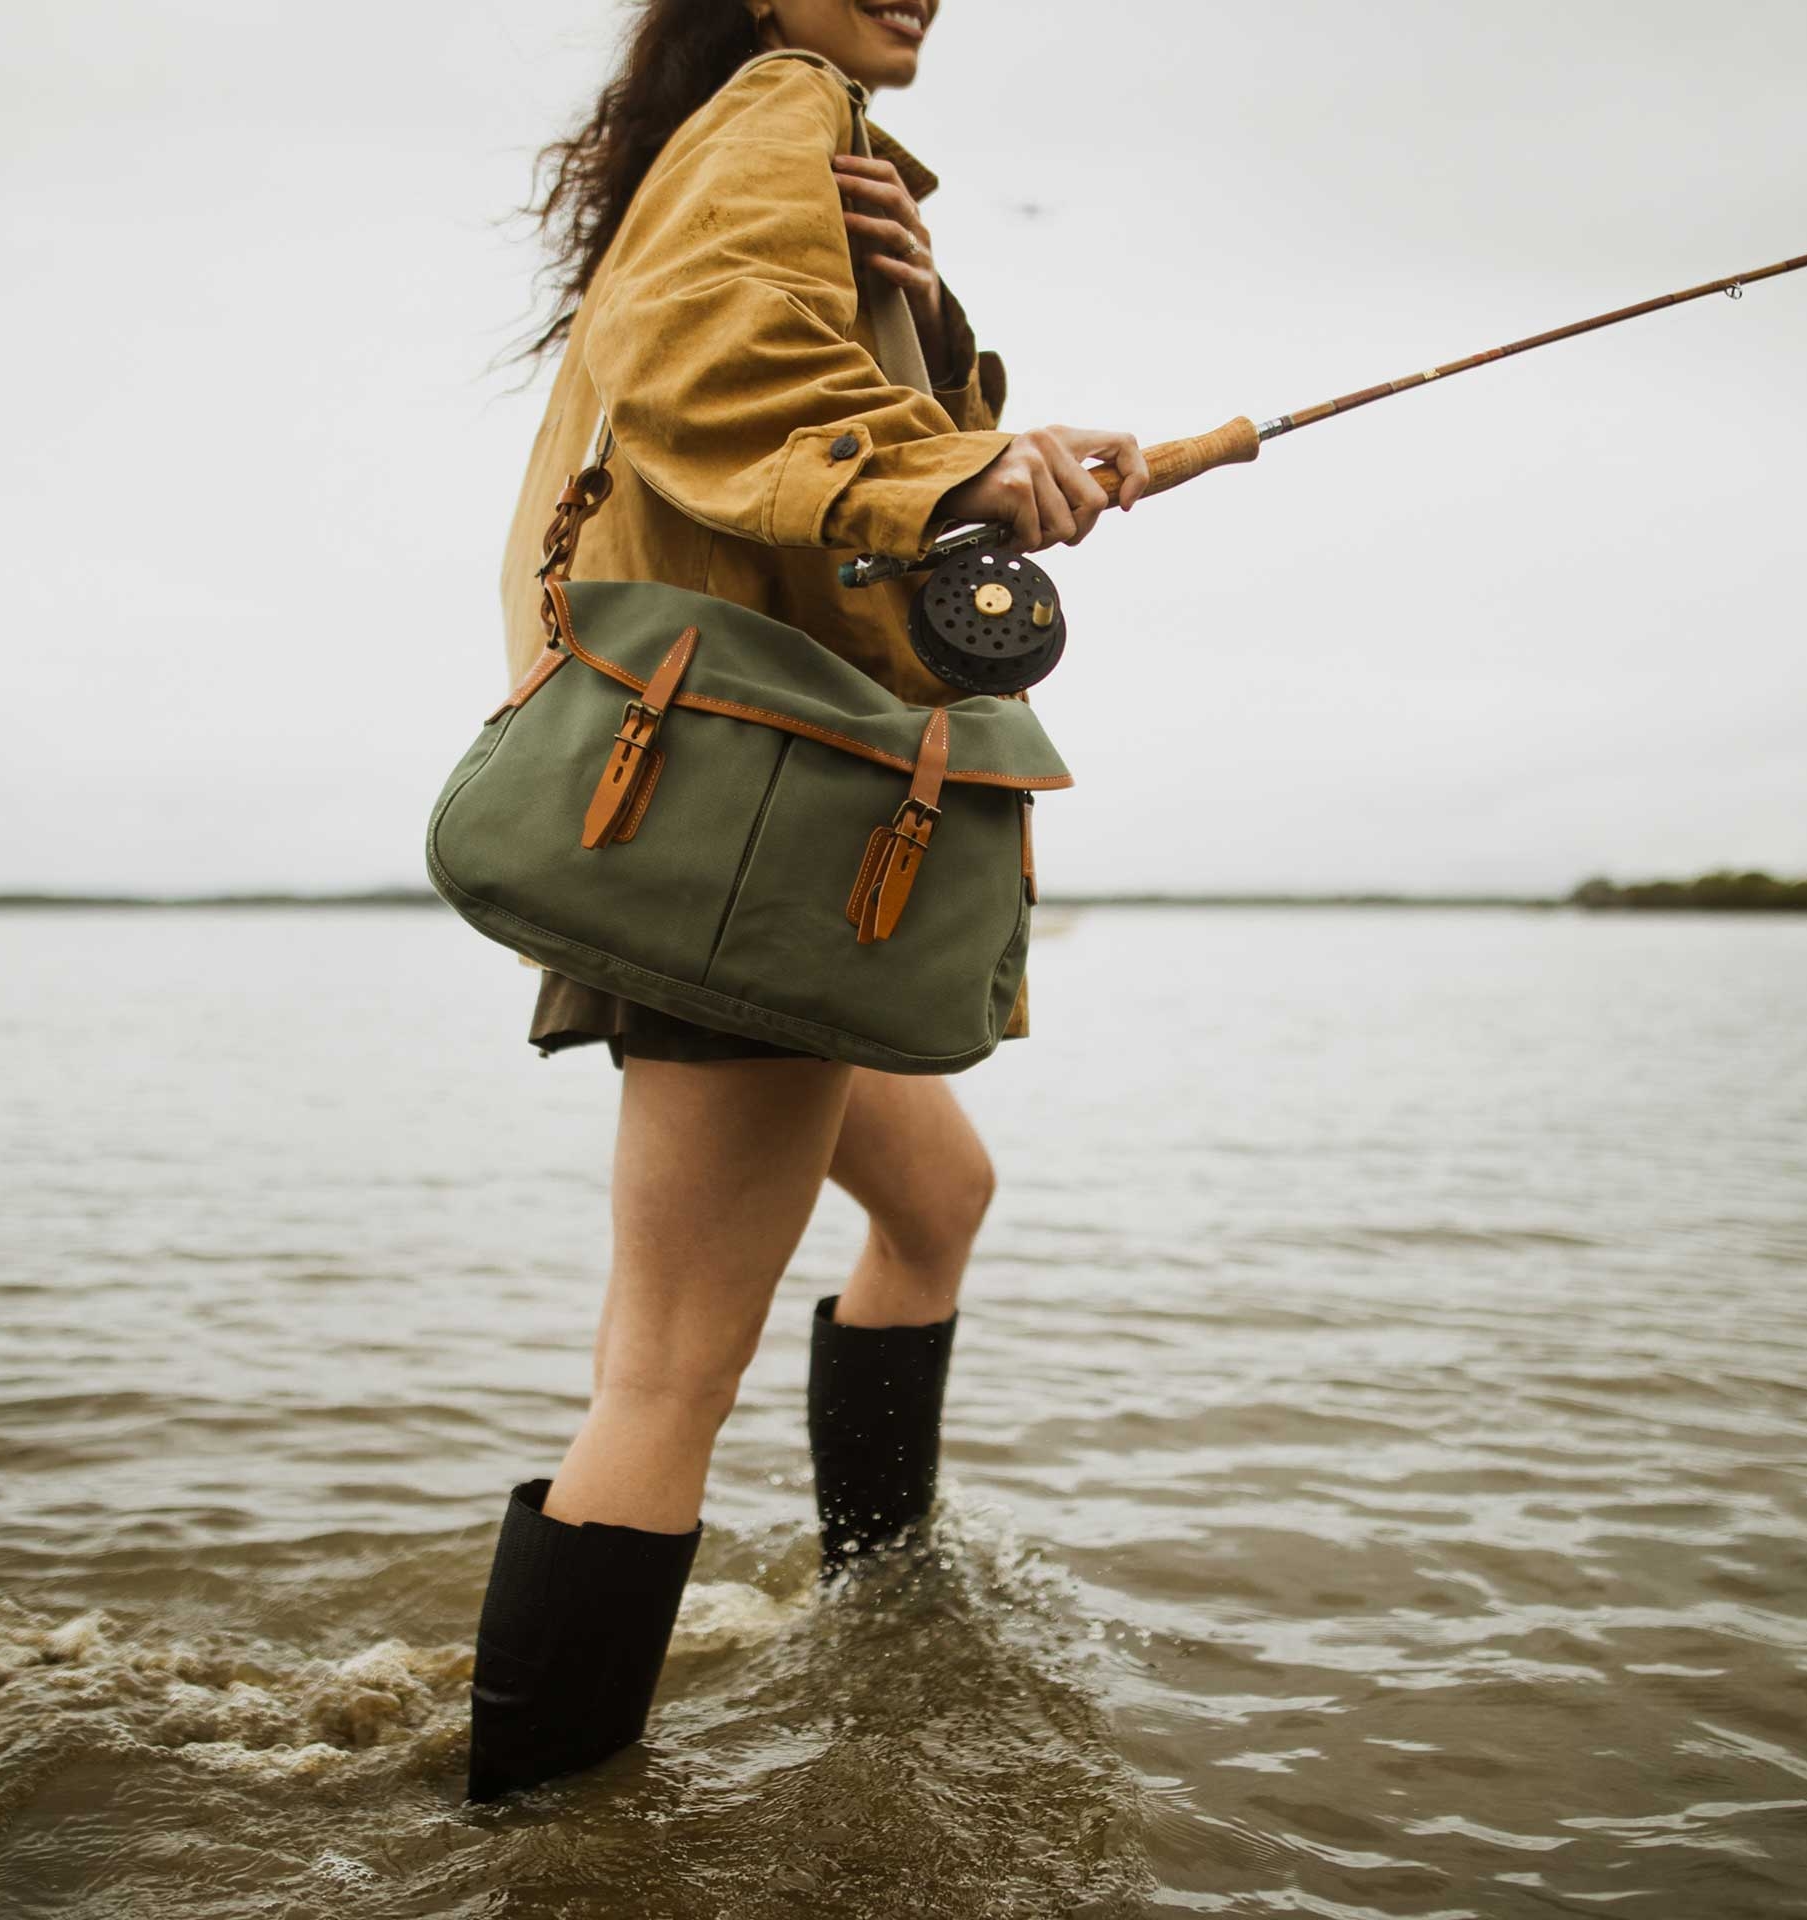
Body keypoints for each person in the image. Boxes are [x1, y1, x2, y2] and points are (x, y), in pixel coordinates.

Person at [467, 0, 1147, 1803]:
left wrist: (933, 354)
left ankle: (877, 1599)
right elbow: (697, 362)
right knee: (666, 1375)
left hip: (755, 813)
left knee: (940, 1195)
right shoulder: (785, 96)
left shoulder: (785, 129)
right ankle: (542, 1831)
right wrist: (957, 466)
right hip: (746, 836)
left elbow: (795, 417)